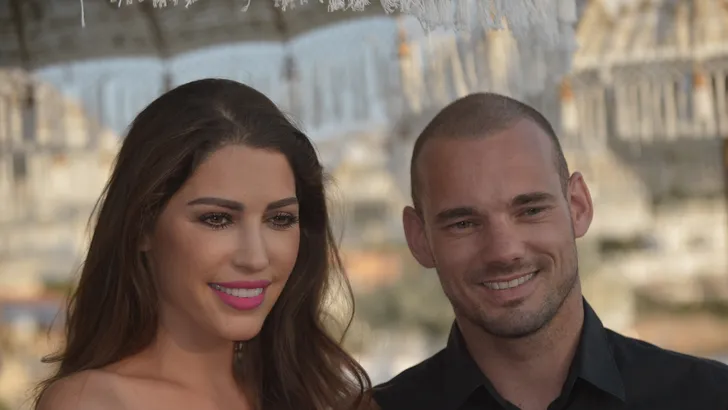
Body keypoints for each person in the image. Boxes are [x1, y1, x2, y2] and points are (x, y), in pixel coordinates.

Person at [372, 92, 728, 410]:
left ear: (578, 206)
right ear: (419, 238)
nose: (504, 251)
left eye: (530, 211)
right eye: (463, 223)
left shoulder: (709, 397)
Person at [34, 79, 372, 410]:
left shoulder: (316, 395)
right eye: (217, 219)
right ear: (142, 226)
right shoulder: (92, 403)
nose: (255, 258)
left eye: (280, 219)